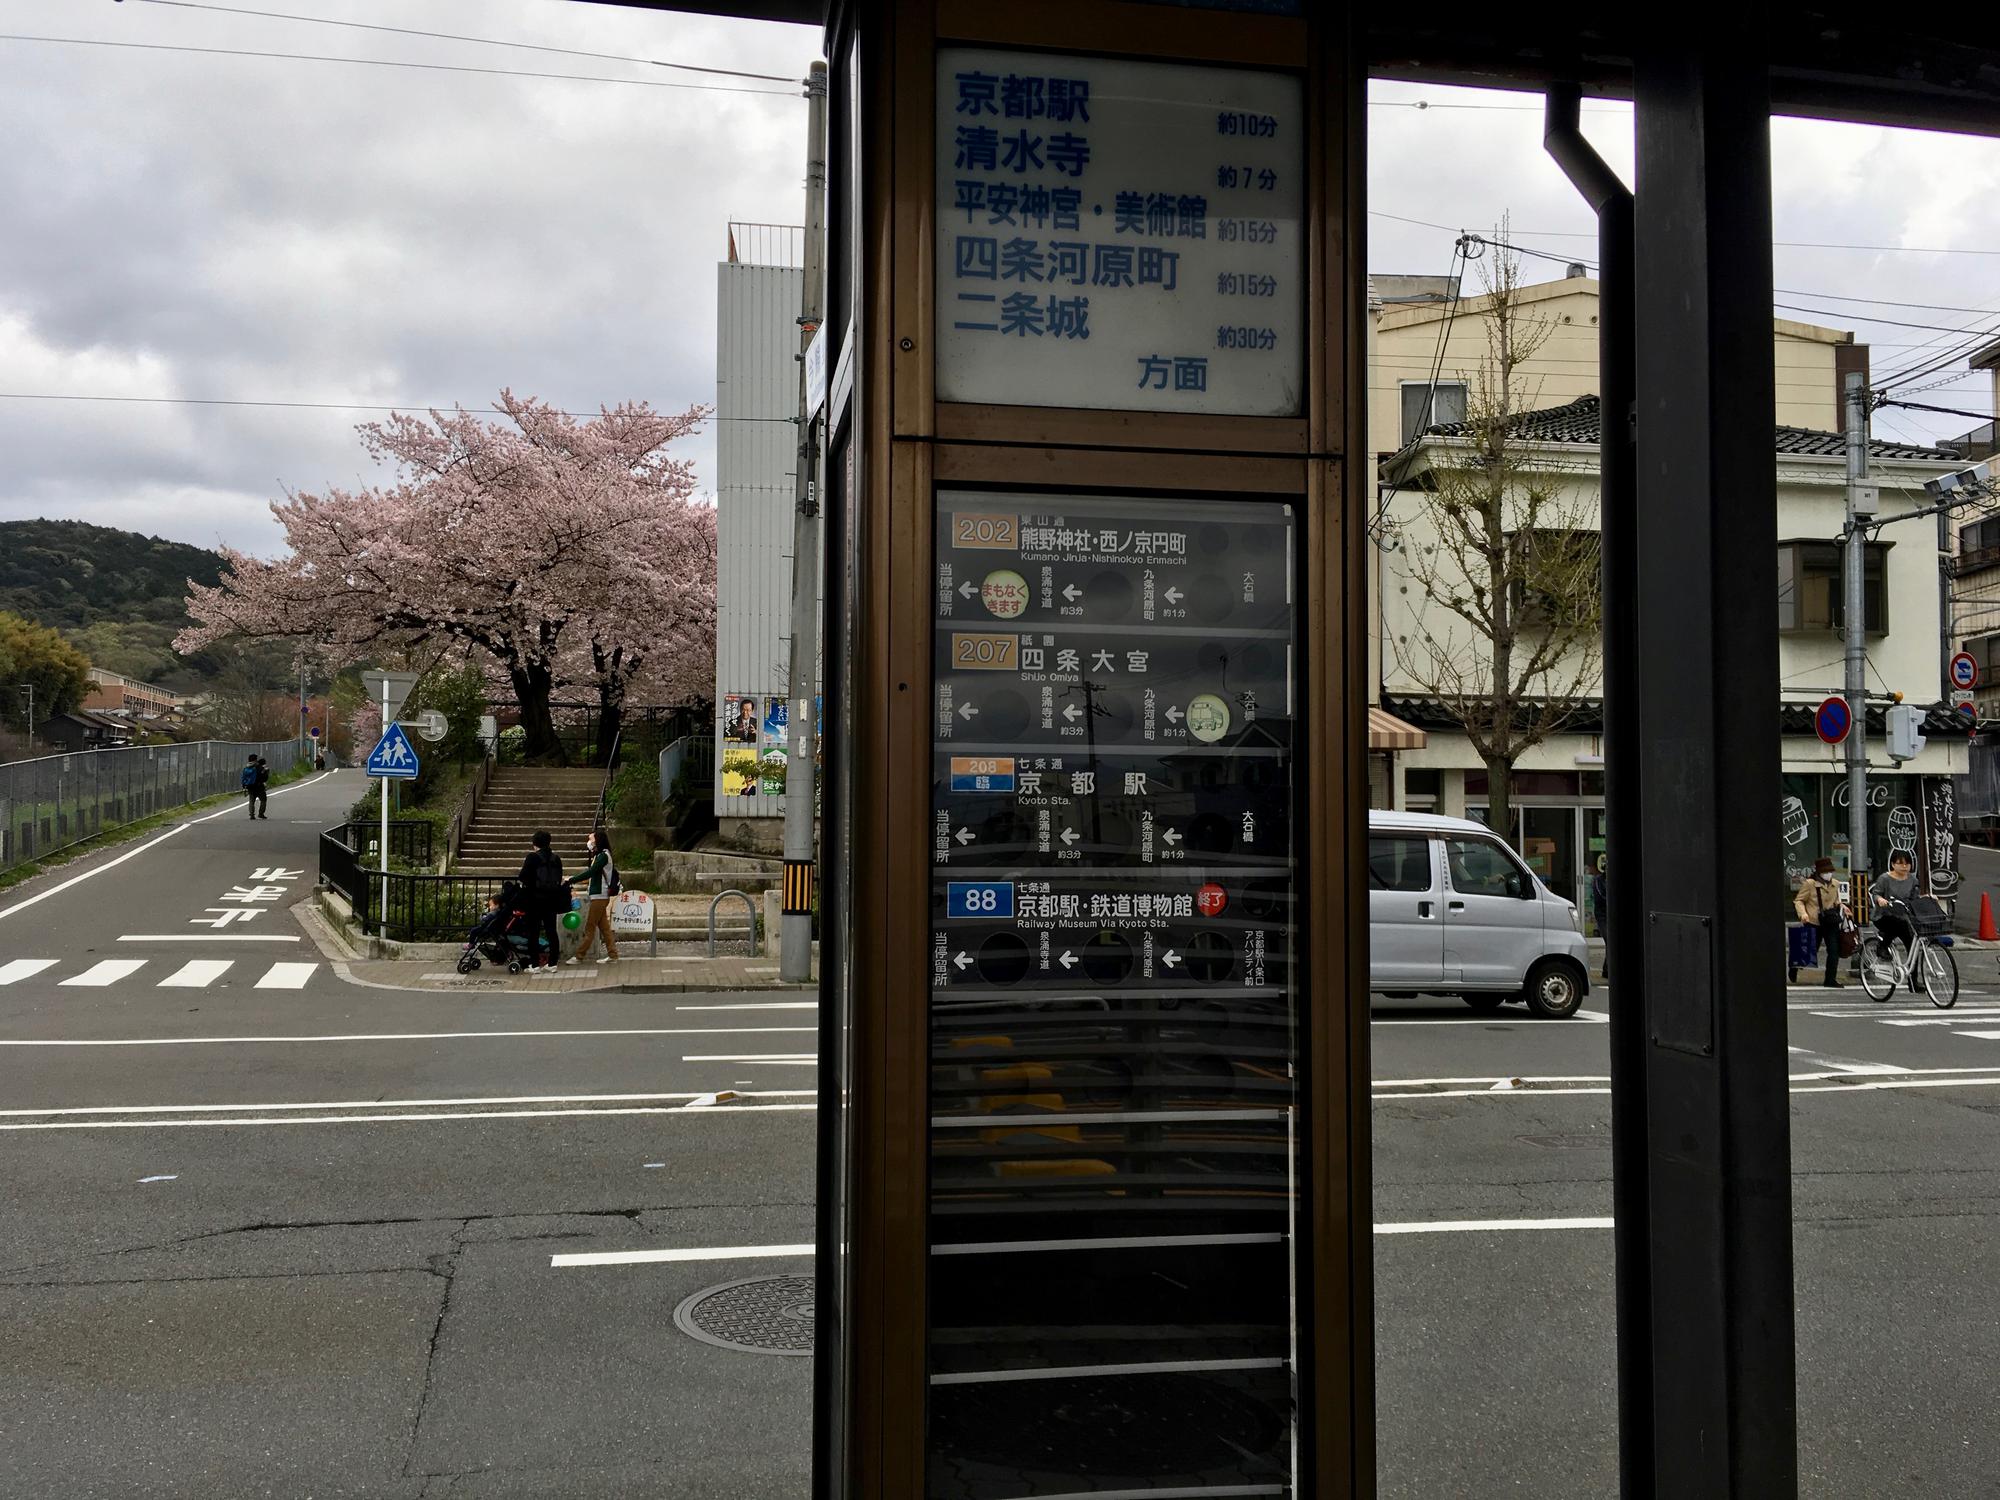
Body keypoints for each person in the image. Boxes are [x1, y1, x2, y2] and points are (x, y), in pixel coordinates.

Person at [565, 829, 620, 966]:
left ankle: (579, 956)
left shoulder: (603, 856)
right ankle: (612, 955)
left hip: (600, 896)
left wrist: (572, 880)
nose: (589, 842)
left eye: (591, 839)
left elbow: (591, 872)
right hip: (598, 895)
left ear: (598, 840)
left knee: (590, 927)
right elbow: (593, 875)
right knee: (604, 928)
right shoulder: (600, 855)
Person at [1795, 856, 1849, 988]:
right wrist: (1803, 914)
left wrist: (1842, 906)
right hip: (1813, 921)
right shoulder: (1809, 884)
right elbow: (1799, 900)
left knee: (1834, 951)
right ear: (1819, 872)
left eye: (1830, 871)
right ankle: (1794, 967)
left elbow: (1836, 900)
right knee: (1808, 951)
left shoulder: (1835, 883)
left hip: (1830, 921)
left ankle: (1830, 979)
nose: (1828, 874)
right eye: (1825, 872)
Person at [517, 830, 566, 971]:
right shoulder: (556, 858)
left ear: (534, 843)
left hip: (535, 900)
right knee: (552, 931)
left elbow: (523, 877)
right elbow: (559, 877)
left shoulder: (532, 857)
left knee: (534, 932)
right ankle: (553, 963)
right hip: (552, 899)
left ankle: (535, 964)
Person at [1871, 849, 1922, 957]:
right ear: (1893, 864)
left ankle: (1912, 972)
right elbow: (1876, 894)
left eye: (1907, 863)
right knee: (1897, 925)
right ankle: (1883, 946)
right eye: (1900, 863)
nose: (1904, 866)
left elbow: (1916, 896)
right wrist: (1880, 899)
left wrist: (1927, 897)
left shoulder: (1913, 879)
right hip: (1883, 915)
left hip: (1903, 916)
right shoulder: (1884, 878)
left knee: (1912, 943)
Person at [1589, 855, 1609, 978]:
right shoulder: (1598, 880)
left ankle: (1606, 970)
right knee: (1608, 939)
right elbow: (1600, 896)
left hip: (1611, 914)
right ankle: (1606, 970)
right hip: (1602, 914)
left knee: (1610, 941)